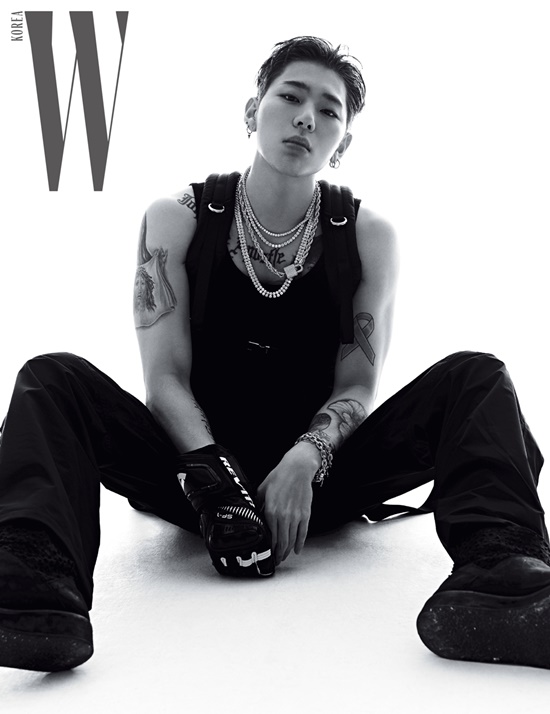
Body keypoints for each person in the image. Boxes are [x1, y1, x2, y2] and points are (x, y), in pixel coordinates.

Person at [0, 36, 549, 673]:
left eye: (328, 109)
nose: (306, 117)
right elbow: (165, 377)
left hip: (317, 480)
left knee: (478, 376)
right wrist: (216, 483)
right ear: (252, 111)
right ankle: (33, 585)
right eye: (290, 97)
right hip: (193, 471)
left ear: (342, 141)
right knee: (52, 378)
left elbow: (356, 383)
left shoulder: (366, 234)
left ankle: (502, 576)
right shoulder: (178, 218)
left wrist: (305, 458)